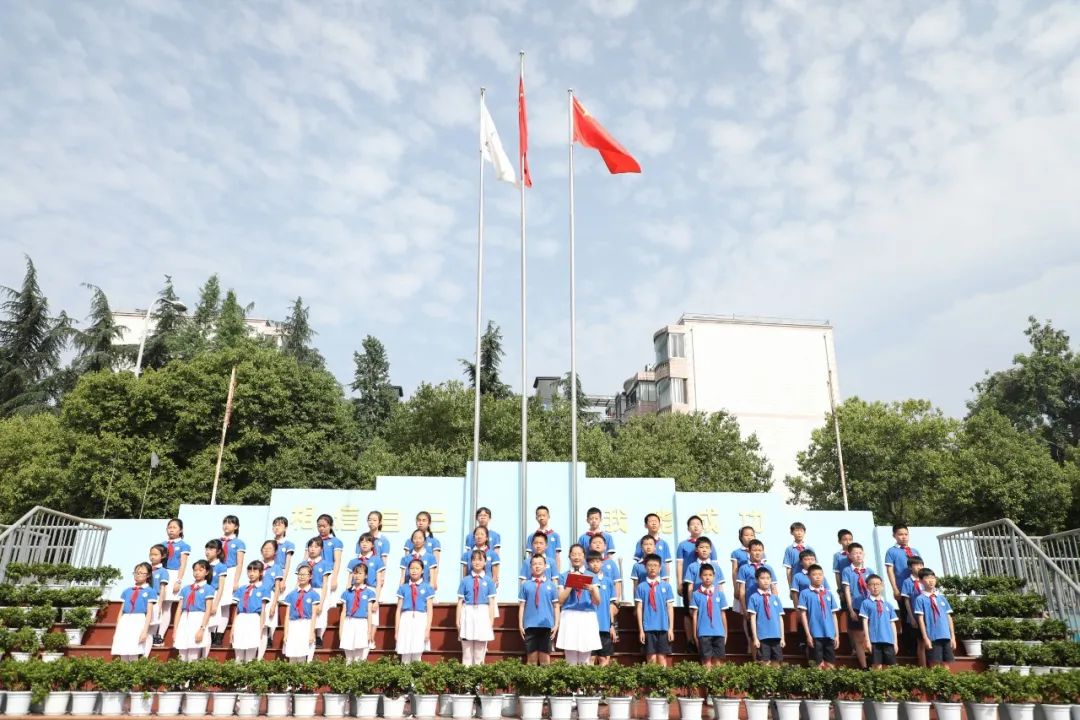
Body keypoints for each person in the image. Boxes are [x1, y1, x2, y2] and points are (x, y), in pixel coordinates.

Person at [556, 544, 602, 665]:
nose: (576, 557)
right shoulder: (563, 576)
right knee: (570, 654)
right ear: (569, 556)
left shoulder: (592, 576)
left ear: (584, 556)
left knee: (586, 654)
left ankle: (584, 683)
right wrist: (570, 584)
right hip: (569, 614)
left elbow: (598, 601)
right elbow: (560, 600)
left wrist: (593, 590)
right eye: (573, 554)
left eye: (579, 554)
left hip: (587, 615)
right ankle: (571, 682)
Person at [517, 553, 560, 666]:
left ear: (545, 566)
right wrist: (520, 624)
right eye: (534, 564)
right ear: (531, 567)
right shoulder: (526, 585)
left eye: (540, 563)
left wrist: (556, 625)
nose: (537, 566)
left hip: (546, 626)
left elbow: (556, 606)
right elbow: (522, 606)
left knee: (545, 659)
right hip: (530, 626)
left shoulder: (551, 585)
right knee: (531, 659)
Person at [457, 549, 497, 666]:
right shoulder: (465, 580)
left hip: (483, 613)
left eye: (480, 559)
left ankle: (478, 683)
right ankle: (467, 683)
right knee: (467, 653)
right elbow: (460, 601)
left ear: (485, 562)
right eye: (474, 559)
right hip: (468, 612)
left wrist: (491, 621)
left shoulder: (489, 581)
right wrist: (457, 620)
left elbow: (491, 602)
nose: (477, 562)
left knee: (479, 655)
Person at [634, 553, 675, 666]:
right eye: (650, 565)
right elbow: (639, 608)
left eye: (655, 565)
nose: (652, 568)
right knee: (651, 657)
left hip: (663, 627)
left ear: (660, 568)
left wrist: (670, 628)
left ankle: (662, 682)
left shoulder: (666, 586)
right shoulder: (641, 587)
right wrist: (641, 630)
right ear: (645, 567)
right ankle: (651, 682)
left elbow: (670, 608)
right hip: (648, 627)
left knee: (662, 657)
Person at [112, 563, 157, 661]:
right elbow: (121, 610)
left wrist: (145, 631)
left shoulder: (150, 591)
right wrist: (118, 625)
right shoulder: (127, 591)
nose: (137, 575)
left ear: (148, 575)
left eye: (141, 573)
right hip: (126, 619)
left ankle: (134, 673)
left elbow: (149, 613)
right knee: (123, 650)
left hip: (139, 620)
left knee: (134, 650)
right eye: (136, 573)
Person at [797, 564, 840, 668]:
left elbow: (834, 615)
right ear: (808, 577)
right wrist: (808, 634)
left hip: (829, 633)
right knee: (817, 664)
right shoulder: (805, 593)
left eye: (820, 574)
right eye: (814, 574)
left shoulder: (828, 594)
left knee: (830, 664)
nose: (818, 577)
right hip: (815, 633)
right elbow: (803, 615)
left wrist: (837, 634)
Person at [173, 559, 216, 661]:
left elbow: (208, 610)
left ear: (207, 572)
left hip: (198, 619)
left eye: (200, 570)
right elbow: (179, 609)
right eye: (195, 570)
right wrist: (175, 629)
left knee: (193, 654)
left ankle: (191, 677)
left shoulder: (208, 589)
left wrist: (202, 629)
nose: (197, 572)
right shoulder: (185, 589)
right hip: (185, 619)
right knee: (182, 653)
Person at [841, 542, 875, 669]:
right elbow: (847, 590)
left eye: (860, 553)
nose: (858, 556)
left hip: (870, 608)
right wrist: (850, 609)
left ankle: (874, 662)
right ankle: (864, 666)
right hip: (856, 607)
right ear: (849, 555)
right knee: (859, 639)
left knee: (871, 637)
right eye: (855, 553)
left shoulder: (869, 571)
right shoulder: (847, 571)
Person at [913, 569, 956, 668]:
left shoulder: (942, 598)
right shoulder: (920, 599)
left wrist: (952, 637)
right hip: (932, 636)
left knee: (946, 664)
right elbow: (920, 620)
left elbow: (948, 617)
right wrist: (925, 638)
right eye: (927, 578)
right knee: (934, 664)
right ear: (921, 581)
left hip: (945, 635)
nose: (931, 581)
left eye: (933, 578)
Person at [689, 563, 728, 667]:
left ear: (714, 577)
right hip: (703, 632)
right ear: (700, 576)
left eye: (710, 575)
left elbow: (723, 614)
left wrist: (725, 632)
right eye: (705, 575)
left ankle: (720, 682)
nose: (708, 577)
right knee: (706, 661)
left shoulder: (720, 594)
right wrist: (694, 634)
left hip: (718, 632)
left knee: (719, 661)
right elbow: (694, 616)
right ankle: (708, 682)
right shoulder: (696, 594)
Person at [215, 515, 246, 645]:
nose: (227, 525)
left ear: (236, 527)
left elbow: (239, 563)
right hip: (217, 571)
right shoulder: (218, 541)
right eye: (225, 522)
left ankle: (219, 635)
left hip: (230, 571)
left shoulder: (239, 543)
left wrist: (236, 581)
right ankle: (212, 631)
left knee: (225, 604)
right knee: (215, 603)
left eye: (230, 523)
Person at [396, 558, 434, 663]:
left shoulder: (427, 588)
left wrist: (428, 629)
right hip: (406, 618)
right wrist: (396, 630)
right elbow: (398, 610)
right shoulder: (403, 588)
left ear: (422, 570)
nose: (414, 570)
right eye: (412, 568)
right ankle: (404, 676)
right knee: (405, 650)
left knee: (417, 650)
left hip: (420, 618)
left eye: (417, 568)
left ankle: (416, 676)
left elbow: (430, 610)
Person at [297, 536, 333, 648]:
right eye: (310, 546)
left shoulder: (325, 564)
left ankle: (319, 636)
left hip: (319, 590)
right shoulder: (303, 564)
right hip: (306, 590)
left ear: (321, 549)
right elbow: (297, 580)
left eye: (316, 547)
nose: (313, 549)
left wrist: (321, 602)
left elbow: (325, 583)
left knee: (320, 616)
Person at [231, 561, 270, 663]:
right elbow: (236, 610)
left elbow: (263, 610)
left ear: (261, 572)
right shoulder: (242, 589)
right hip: (241, 618)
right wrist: (232, 628)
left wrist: (261, 628)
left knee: (251, 651)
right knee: (238, 651)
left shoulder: (264, 589)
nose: (251, 573)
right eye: (249, 570)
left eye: (255, 570)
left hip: (254, 619)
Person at [158, 518, 190, 643]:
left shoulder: (183, 545)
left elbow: (183, 564)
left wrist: (179, 580)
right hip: (161, 574)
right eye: (169, 527)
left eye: (174, 527)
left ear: (180, 530)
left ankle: (160, 635)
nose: (171, 529)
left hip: (173, 574)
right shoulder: (162, 544)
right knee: (158, 604)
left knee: (166, 606)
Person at [339, 563, 378, 663]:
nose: (357, 576)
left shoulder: (369, 593)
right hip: (349, 621)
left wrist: (369, 632)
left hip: (362, 623)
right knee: (348, 656)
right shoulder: (346, 593)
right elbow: (343, 612)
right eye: (355, 573)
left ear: (365, 575)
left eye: (360, 573)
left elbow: (369, 612)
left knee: (358, 656)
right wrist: (341, 630)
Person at [746, 566, 784, 665]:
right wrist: (755, 638)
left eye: (768, 578)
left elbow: (780, 618)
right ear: (757, 580)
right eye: (762, 578)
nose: (766, 581)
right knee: (764, 662)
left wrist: (782, 637)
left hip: (776, 636)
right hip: (762, 636)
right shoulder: (754, 598)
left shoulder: (775, 598)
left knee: (776, 663)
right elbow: (753, 619)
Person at [586, 550, 618, 666]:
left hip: (604, 626)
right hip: (589, 625)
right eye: (592, 562)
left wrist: (611, 625)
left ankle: (602, 684)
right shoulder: (586, 579)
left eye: (598, 561)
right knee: (590, 658)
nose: (595, 564)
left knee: (604, 658)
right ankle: (589, 684)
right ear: (588, 564)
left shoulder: (608, 581)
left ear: (602, 563)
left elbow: (611, 605)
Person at [281, 564, 319, 663]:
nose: (301, 577)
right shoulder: (291, 595)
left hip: (306, 624)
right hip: (293, 625)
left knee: (303, 655)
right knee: (292, 655)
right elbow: (287, 616)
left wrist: (312, 633)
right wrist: (286, 633)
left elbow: (314, 615)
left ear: (310, 576)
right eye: (299, 574)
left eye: (304, 574)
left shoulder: (314, 594)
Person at [860, 574, 899, 669]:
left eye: (878, 584)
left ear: (882, 586)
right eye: (872, 584)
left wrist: (895, 642)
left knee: (890, 667)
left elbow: (892, 624)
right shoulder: (866, 603)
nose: (875, 587)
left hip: (888, 640)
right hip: (874, 641)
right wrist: (867, 640)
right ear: (867, 586)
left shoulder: (888, 605)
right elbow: (864, 622)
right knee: (876, 666)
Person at [901, 556, 927, 665]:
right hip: (916, 616)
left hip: (928, 616)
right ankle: (923, 667)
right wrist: (911, 617)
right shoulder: (907, 582)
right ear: (910, 567)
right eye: (916, 565)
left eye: (921, 565)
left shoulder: (926, 580)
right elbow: (906, 601)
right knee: (920, 642)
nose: (919, 567)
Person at [204, 539, 227, 646]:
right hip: (204, 595)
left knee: (213, 621)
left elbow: (221, 587)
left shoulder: (221, 566)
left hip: (214, 595)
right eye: (207, 549)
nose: (208, 551)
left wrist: (215, 604)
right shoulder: (204, 565)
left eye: (211, 549)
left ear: (218, 551)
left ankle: (215, 639)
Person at [349, 533, 387, 599]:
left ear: (372, 545)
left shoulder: (377, 560)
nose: (364, 544)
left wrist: (377, 600)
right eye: (362, 542)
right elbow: (349, 581)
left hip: (372, 590)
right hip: (355, 590)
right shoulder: (353, 561)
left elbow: (378, 582)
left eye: (367, 542)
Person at [525, 505, 562, 572]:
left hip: (551, 570)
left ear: (548, 517)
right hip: (536, 570)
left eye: (544, 515)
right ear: (536, 518)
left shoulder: (555, 535)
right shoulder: (531, 536)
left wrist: (557, 572)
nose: (541, 518)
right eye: (539, 516)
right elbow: (529, 556)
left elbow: (557, 556)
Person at [587, 534, 622, 599]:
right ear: (589, 547)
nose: (597, 544)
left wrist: (616, 602)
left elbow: (617, 582)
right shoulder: (586, 563)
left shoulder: (611, 563)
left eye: (600, 543)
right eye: (594, 543)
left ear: (605, 546)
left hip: (608, 598)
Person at [148, 545, 170, 646]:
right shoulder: (146, 569)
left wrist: (160, 603)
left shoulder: (163, 571)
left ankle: (153, 638)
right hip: (145, 598)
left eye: (155, 554)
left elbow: (162, 588)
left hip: (156, 598)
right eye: (151, 554)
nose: (152, 557)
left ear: (163, 556)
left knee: (154, 619)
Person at [316, 514, 344, 593]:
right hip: (315, 573)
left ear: (331, 526)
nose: (321, 529)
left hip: (329, 574)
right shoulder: (313, 541)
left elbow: (337, 561)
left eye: (324, 526)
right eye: (319, 526)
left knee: (328, 601)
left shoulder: (336, 542)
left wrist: (334, 578)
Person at [783, 522, 813, 586]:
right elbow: (788, 569)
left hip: (810, 581)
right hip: (796, 581)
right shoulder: (789, 549)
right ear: (791, 532)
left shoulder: (810, 548)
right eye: (796, 531)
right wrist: (790, 586)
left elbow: (815, 566)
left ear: (804, 532)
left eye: (801, 531)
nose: (799, 533)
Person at [271, 516, 295, 591]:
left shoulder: (288, 544)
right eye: (275, 525)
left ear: (285, 528)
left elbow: (287, 564)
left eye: (280, 525)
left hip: (280, 573)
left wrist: (283, 580)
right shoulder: (269, 543)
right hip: (269, 572)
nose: (277, 528)